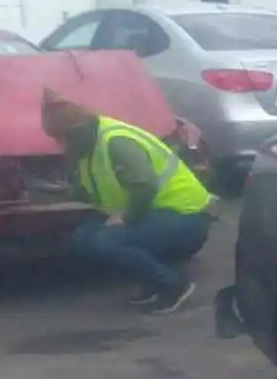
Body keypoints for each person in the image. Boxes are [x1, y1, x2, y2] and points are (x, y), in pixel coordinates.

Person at [39, 89, 215, 313]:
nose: (59, 145)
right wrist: (62, 192)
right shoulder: (92, 143)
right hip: (161, 214)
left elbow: (144, 185)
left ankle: (173, 285)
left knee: (105, 241)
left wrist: (126, 217)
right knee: (85, 237)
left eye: (59, 138)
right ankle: (156, 283)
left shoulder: (116, 141)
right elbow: (98, 189)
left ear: (75, 132)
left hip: (186, 216)